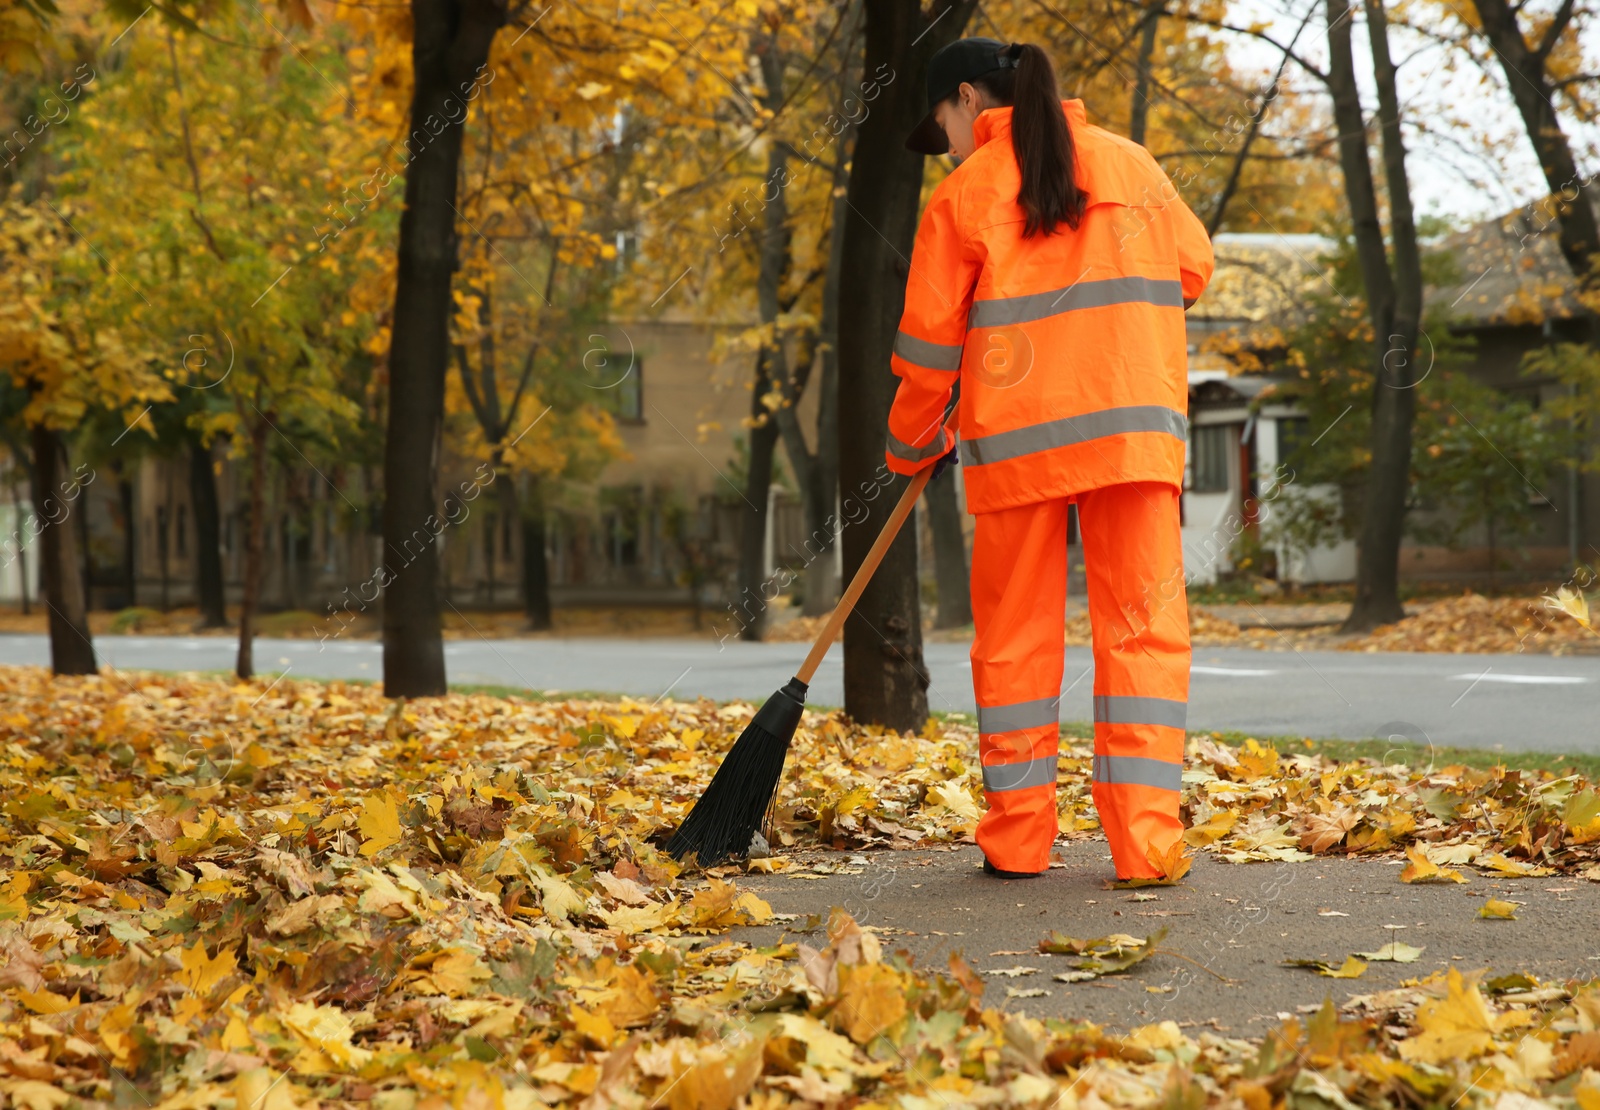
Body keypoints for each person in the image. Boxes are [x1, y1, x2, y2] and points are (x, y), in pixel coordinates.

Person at [884, 38, 1213, 881]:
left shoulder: (964, 196)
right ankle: (1146, 848)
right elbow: (1193, 268)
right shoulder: (1134, 167)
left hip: (1017, 450)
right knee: (1143, 638)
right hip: (1132, 439)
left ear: (968, 98)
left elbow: (927, 348)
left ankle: (1019, 840)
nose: (945, 146)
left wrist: (911, 438)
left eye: (943, 127)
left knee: (1015, 646)